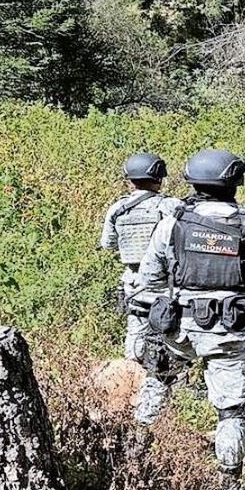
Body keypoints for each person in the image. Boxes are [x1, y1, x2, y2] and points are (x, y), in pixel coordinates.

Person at [135, 149, 245, 490]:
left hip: (178, 326)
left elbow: (149, 277)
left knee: (158, 381)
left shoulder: (172, 222)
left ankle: (134, 453)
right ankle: (228, 487)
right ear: (235, 181)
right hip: (229, 330)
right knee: (231, 409)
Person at [99, 152, 181, 362]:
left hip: (134, 281)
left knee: (136, 329)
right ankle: (168, 375)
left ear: (130, 180)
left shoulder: (118, 209)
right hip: (166, 281)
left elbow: (108, 244)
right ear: (159, 178)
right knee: (171, 329)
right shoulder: (170, 205)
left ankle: (134, 372)